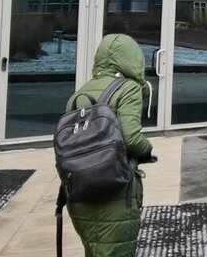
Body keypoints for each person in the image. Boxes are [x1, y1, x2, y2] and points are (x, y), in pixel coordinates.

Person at [66, 34, 155, 257]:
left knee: (94, 249)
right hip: (115, 188)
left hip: (80, 189)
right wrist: (147, 150)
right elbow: (130, 138)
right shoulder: (128, 88)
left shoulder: (80, 92)